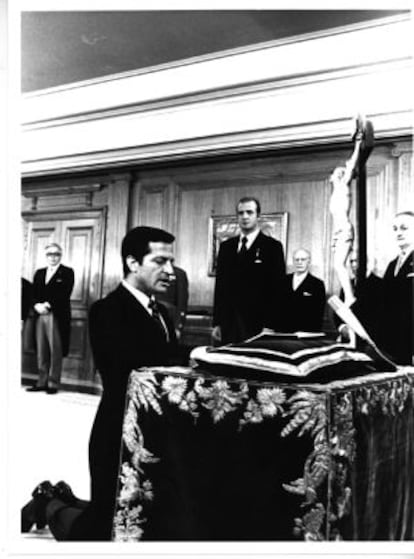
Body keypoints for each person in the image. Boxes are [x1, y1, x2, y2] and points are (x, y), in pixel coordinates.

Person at [21, 226, 183, 540]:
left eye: (171, 262)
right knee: (97, 533)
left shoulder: (161, 311)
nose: (170, 271)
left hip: (155, 431)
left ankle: (65, 497)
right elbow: (123, 373)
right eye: (160, 261)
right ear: (133, 263)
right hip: (116, 433)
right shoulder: (107, 311)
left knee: (132, 513)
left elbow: (169, 359)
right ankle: (46, 503)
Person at [212, 196, 287, 344]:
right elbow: (220, 287)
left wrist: (270, 325)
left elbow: (278, 290)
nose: (245, 216)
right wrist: (217, 322)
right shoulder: (226, 247)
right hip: (229, 324)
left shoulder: (272, 247)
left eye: (249, 212)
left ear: (258, 216)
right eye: (241, 213)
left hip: (258, 325)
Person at [27, 243, 74, 394]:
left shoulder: (67, 272)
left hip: (56, 315)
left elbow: (64, 293)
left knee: (55, 349)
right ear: (46, 256)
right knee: (41, 349)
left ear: (60, 256)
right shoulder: (39, 273)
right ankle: (41, 381)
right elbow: (33, 292)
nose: (53, 257)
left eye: (56, 254)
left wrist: (48, 304)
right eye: (50, 254)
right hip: (39, 314)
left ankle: (53, 383)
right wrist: (36, 305)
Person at [379, 211, 414, 365]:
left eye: (404, 228)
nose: (398, 233)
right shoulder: (392, 265)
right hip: (393, 345)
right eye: (395, 229)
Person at [286, 249, 326, 332]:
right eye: (296, 260)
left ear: (309, 261)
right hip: (283, 331)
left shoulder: (317, 284)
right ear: (293, 261)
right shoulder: (283, 281)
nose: (299, 262)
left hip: (306, 332)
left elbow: (318, 313)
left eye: (303, 259)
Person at [157, 264, 189, 340]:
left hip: (169, 321)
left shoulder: (179, 273)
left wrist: (178, 327)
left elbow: (182, 303)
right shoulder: (149, 272)